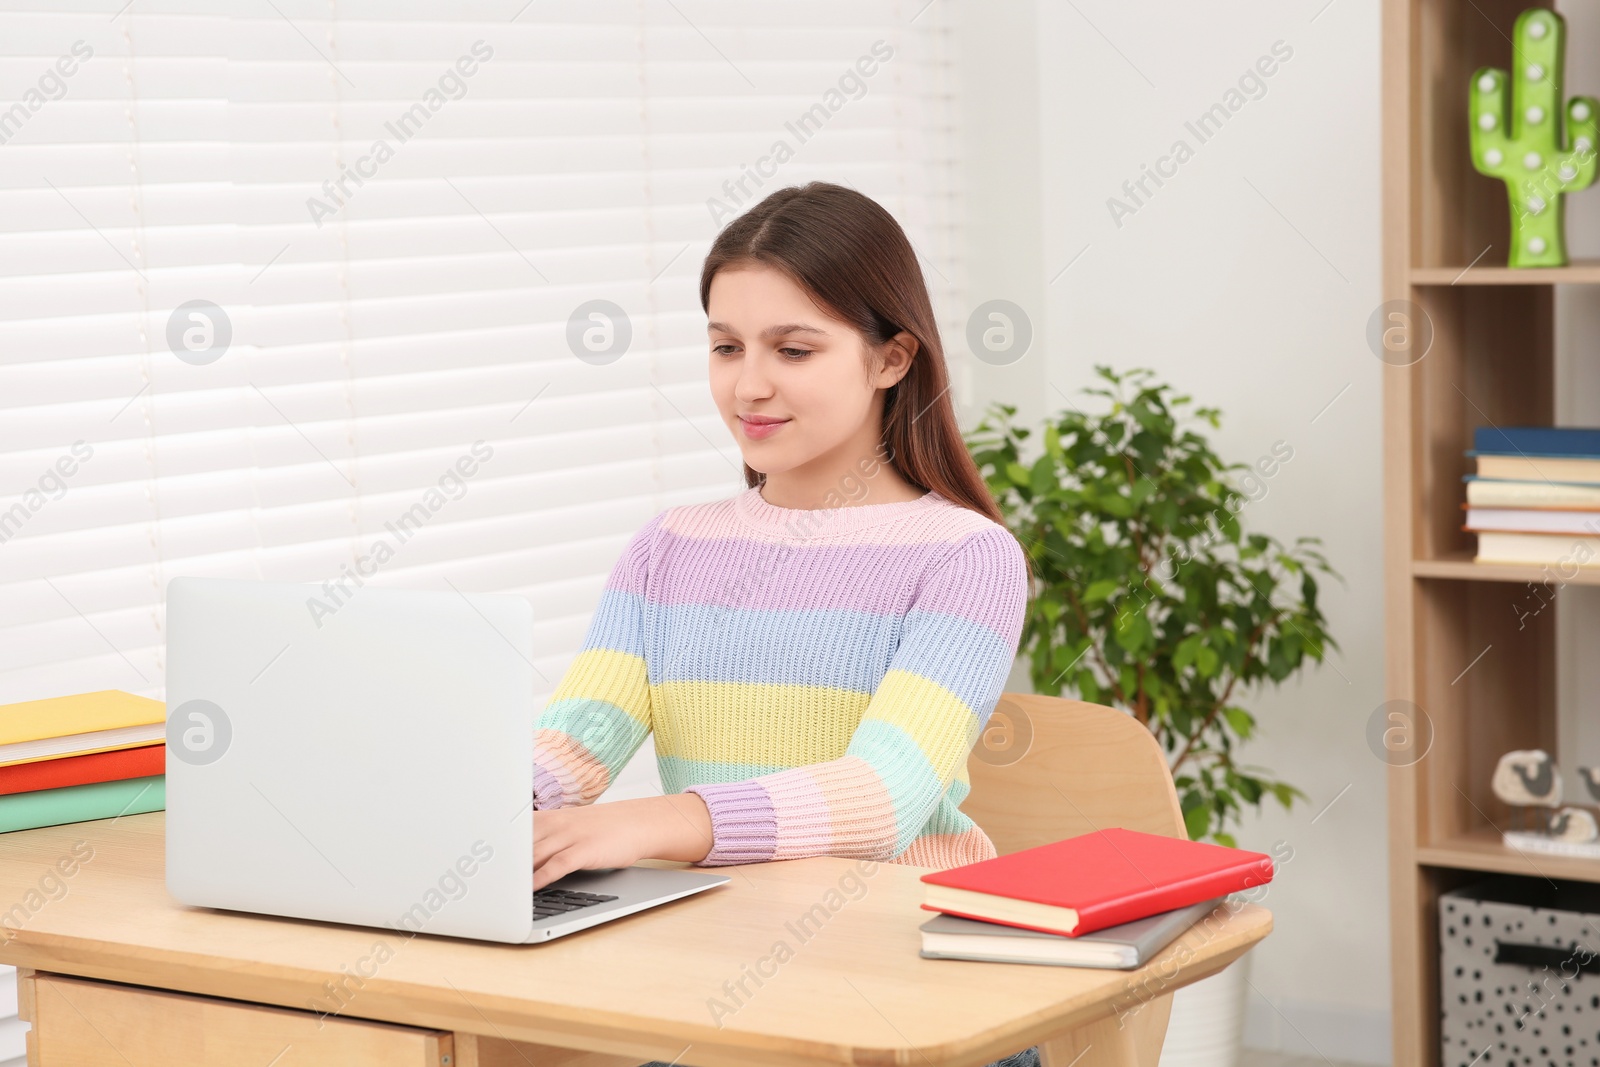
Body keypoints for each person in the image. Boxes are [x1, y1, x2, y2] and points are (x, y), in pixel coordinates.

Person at [531, 181, 1038, 1067]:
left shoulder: (966, 556)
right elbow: (573, 745)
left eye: (793, 349)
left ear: (892, 359)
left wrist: (655, 822)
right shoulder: (671, 547)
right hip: (726, 984)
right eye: (726, 346)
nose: (748, 384)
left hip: (911, 995)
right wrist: (469, 806)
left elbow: (884, 796)